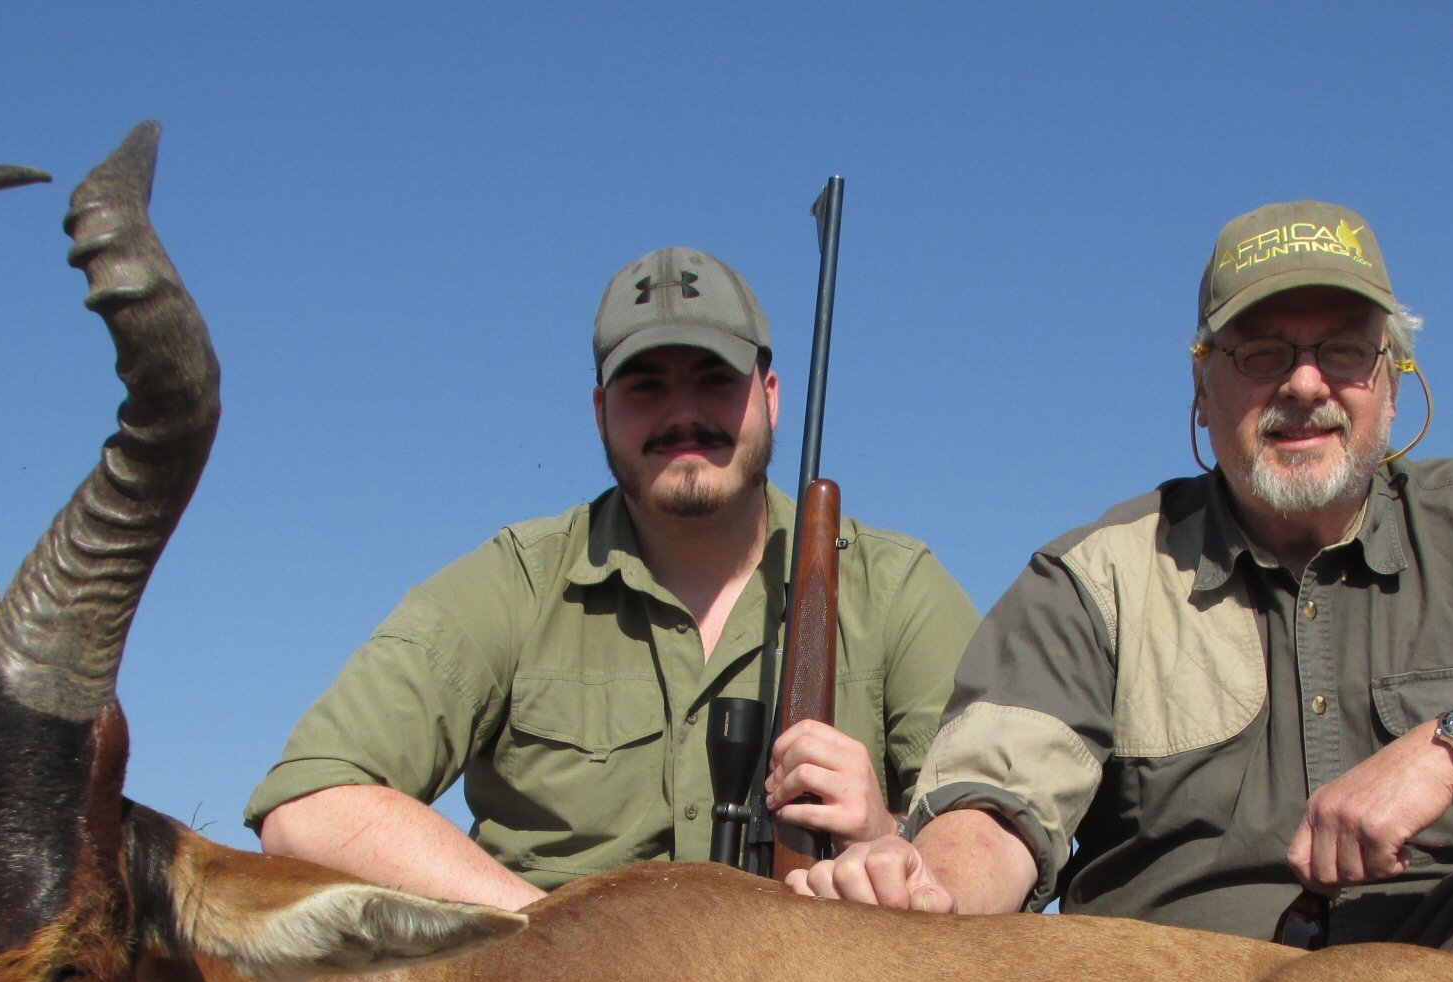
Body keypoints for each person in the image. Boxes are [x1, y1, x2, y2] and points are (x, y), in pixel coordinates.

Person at [791, 200, 1453, 982]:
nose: (1305, 384)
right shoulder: (1096, 577)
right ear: (1204, 388)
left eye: (1343, 350)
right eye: (1263, 352)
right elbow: (998, 805)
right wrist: (933, 890)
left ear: (1391, 383)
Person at [249, 248, 978, 908]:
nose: (683, 414)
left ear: (772, 395)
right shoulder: (515, 584)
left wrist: (886, 840)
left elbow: (990, 846)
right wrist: (545, 932)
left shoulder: (898, 589)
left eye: (715, 380)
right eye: (646, 387)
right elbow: (310, 804)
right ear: (601, 412)